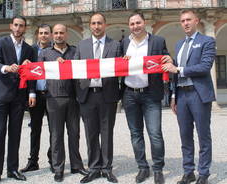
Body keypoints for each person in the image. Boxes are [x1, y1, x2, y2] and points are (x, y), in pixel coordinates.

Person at [162, 10, 216, 184]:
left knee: (203, 135)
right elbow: (175, 73)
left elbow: (205, 66)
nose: (185, 23)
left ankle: (204, 173)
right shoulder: (179, 45)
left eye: (188, 20)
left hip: (198, 94)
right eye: (182, 20)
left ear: (196, 21)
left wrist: (178, 69)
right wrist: (173, 96)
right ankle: (188, 171)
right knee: (185, 135)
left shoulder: (207, 41)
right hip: (182, 95)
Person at [121, 13, 172, 184]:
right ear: (129, 26)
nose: (135, 26)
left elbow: (166, 59)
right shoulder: (124, 43)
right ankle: (143, 167)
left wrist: (169, 58)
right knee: (135, 134)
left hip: (150, 93)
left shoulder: (158, 41)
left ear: (145, 23)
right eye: (132, 23)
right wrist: (123, 61)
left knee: (155, 134)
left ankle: (158, 169)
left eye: (138, 23)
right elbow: (118, 66)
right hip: (129, 94)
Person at [74, 13, 121, 183]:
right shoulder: (82, 45)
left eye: (99, 23)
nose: (96, 26)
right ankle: (94, 168)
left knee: (107, 133)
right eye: (93, 23)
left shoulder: (115, 45)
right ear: (90, 25)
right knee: (91, 133)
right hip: (87, 96)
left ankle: (107, 168)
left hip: (107, 95)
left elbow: (121, 69)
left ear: (105, 25)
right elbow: (74, 69)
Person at [0, 16, 35, 184]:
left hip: (19, 97)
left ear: (24, 28)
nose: (18, 28)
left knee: (15, 134)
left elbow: (31, 74)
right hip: (0, 96)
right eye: (15, 25)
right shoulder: (1, 42)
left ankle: (13, 169)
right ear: (11, 26)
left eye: (21, 26)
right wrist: (6, 68)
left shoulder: (29, 49)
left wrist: (32, 93)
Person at [38, 23, 87, 182]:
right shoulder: (45, 53)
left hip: (73, 98)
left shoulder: (75, 51)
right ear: (53, 35)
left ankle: (77, 165)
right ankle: (58, 168)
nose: (59, 35)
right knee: (56, 135)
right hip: (53, 99)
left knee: (74, 134)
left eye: (62, 33)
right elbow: (38, 71)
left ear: (66, 34)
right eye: (56, 33)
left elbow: (82, 70)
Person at [20, 24, 53, 173]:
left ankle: (54, 159)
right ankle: (33, 161)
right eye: (41, 33)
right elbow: (26, 73)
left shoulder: (56, 50)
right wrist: (31, 92)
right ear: (37, 35)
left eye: (46, 33)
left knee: (55, 129)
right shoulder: (30, 50)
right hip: (36, 95)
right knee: (35, 129)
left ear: (50, 35)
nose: (44, 35)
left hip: (52, 95)